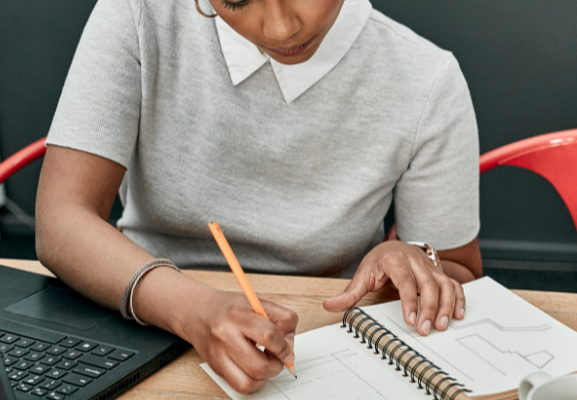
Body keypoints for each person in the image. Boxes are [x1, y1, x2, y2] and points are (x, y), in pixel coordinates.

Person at [36, 0, 482, 394]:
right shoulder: (138, 14)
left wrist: (411, 256)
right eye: (235, 0)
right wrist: (194, 310)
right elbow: (60, 220)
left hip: (321, 355)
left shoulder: (427, 80)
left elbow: (461, 271)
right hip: (143, 323)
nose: (280, 28)